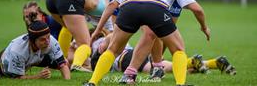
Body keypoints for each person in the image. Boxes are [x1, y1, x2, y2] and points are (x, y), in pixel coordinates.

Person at [84, 0, 210, 86]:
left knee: (113, 49)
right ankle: (180, 84)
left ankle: (92, 82)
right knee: (178, 49)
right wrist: (204, 27)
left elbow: (112, 4)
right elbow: (197, 9)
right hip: (155, 8)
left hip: (129, 8)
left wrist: (97, 30)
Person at [89, 33, 236, 75]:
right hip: (136, 53)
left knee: (161, 68)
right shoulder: (110, 38)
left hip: (125, 59)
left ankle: (192, 62)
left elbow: (109, 37)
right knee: (171, 67)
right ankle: (212, 63)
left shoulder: (96, 44)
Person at [45, 0, 114, 71]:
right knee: (85, 43)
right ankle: (77, 65)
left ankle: (59, 62)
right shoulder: (109, 10)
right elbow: (112, 39)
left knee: (67, 28)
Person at [0, 21, 70, 79]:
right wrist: (37, 76)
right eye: (42, 39)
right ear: (32, 40)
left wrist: (67, 82)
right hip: (1, 64)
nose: (47, 41)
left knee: (64, 61)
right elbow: (17, 78)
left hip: (35, 56)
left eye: (48, 37)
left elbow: (63, 64)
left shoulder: (50, 41)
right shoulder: (17, 51)